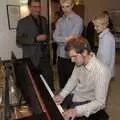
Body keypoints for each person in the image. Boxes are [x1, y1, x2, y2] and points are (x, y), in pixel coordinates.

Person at [54, 36, 111, 120]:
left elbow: (100, 103)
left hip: (87, 101)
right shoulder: (79, 62)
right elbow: (73, 80)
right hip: (77, 94)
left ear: (84, 52)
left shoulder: (101, 71)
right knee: (52, 99)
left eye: (74, 56)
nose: (72, 61)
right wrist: (62, 95)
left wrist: (76, 111)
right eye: (71, 57)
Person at [16, 0, 54, 90]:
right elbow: (18, 40)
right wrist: (35, 39)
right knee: (33, 83)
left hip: (44, 55)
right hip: (30, 57)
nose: (37, 9)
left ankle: (50, 99)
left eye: (39, 7)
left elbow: (48, 35)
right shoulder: (22, 22)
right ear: (29, 7)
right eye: (35, 7)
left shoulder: (44, 20)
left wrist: (48, 38)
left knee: (49, 79)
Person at [53, 0, 83, 89]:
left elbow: (72, 40)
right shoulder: (59, 21)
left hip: (73, 56)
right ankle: (64, 102)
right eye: (63, 6)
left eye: (67, 6)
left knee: (73, 84)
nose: (65, 9)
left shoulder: (78, 20)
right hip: (61, 56)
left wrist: (61, 39)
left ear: (72, 5)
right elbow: (55, 37)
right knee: (62, 83)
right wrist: (66, 39)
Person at [93, 12, 115, 78]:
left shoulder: (107, 38)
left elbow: (106, 59)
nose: (94, 28)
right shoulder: (103, 36)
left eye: (97, 26)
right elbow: (101, 53)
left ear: (104, 25)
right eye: (94, 25)